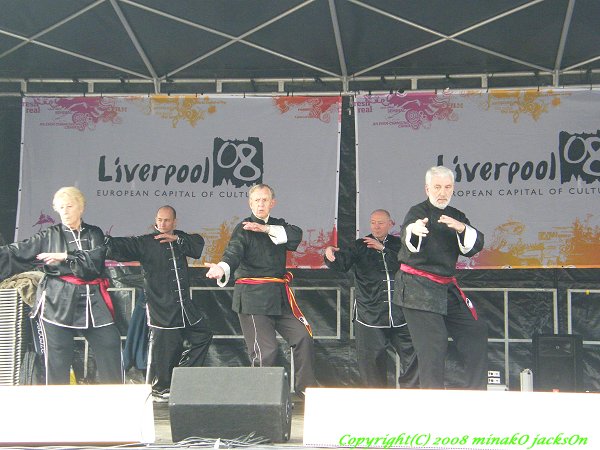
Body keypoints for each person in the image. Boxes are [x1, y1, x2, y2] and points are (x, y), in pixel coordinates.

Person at [0, 186, 123, 384]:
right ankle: (57, 407)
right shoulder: (49, 235)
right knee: (58, 356)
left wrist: (63, 256)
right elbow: (17, 251)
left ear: (81, 208)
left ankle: (117, 398)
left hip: (93, 299)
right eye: (61, 207)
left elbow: (94, 263)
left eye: (69, 206)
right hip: (57, 300)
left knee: (109, 342)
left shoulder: (94, 233)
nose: (65, 211)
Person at [205, 184, 316, 396]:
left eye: (265, 200)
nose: (261, 204)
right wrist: (221, 267)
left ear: (272, 203)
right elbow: (232, 254)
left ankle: (305, 391)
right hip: (253, 299)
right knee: (266, 351)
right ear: (250, 203)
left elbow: (295, 235)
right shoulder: (243, 229)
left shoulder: (278, 226)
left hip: (278, 297)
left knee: (303, 337)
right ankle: (263, 397)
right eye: (256, 200)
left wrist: (265, 229)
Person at [394, 166, 487, 389]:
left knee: (475, 331)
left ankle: (477, 397)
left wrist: (462, 228)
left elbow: (474, 246)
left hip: (446, 287)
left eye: (447, 187)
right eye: (437, 187)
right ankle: (431, 405)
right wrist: (415, 231)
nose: (442, 192)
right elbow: (409, 237)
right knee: (433, 344)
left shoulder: (457, 216)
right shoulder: (416, 213)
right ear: (427, 189)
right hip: (417, 288)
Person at [107, 205, 213, 400]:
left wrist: (177, 239)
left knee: (203, 334)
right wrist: (101, 241)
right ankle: (161, 389)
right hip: (162, 308)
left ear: (174, 222)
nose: (162, 224)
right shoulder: (146, 243)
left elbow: (197, 244)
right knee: (166, 350)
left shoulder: (181, 239)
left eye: (166, 220)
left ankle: (182, 377)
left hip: (184, 307)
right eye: (159, 220)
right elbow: (121, 246)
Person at [324, 209, 418, 388]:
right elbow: (341, 263)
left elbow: (408, 265)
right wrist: (329, 253)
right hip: (370, 314)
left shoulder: (400, 244)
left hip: (400, 313)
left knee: (414, 355)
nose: (376, 226)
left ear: (391, 224)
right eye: (373, 222)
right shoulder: (360, 245)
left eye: (381, 222)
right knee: (371, 365)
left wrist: (383, 249)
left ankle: (411, 395)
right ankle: (376, 402)